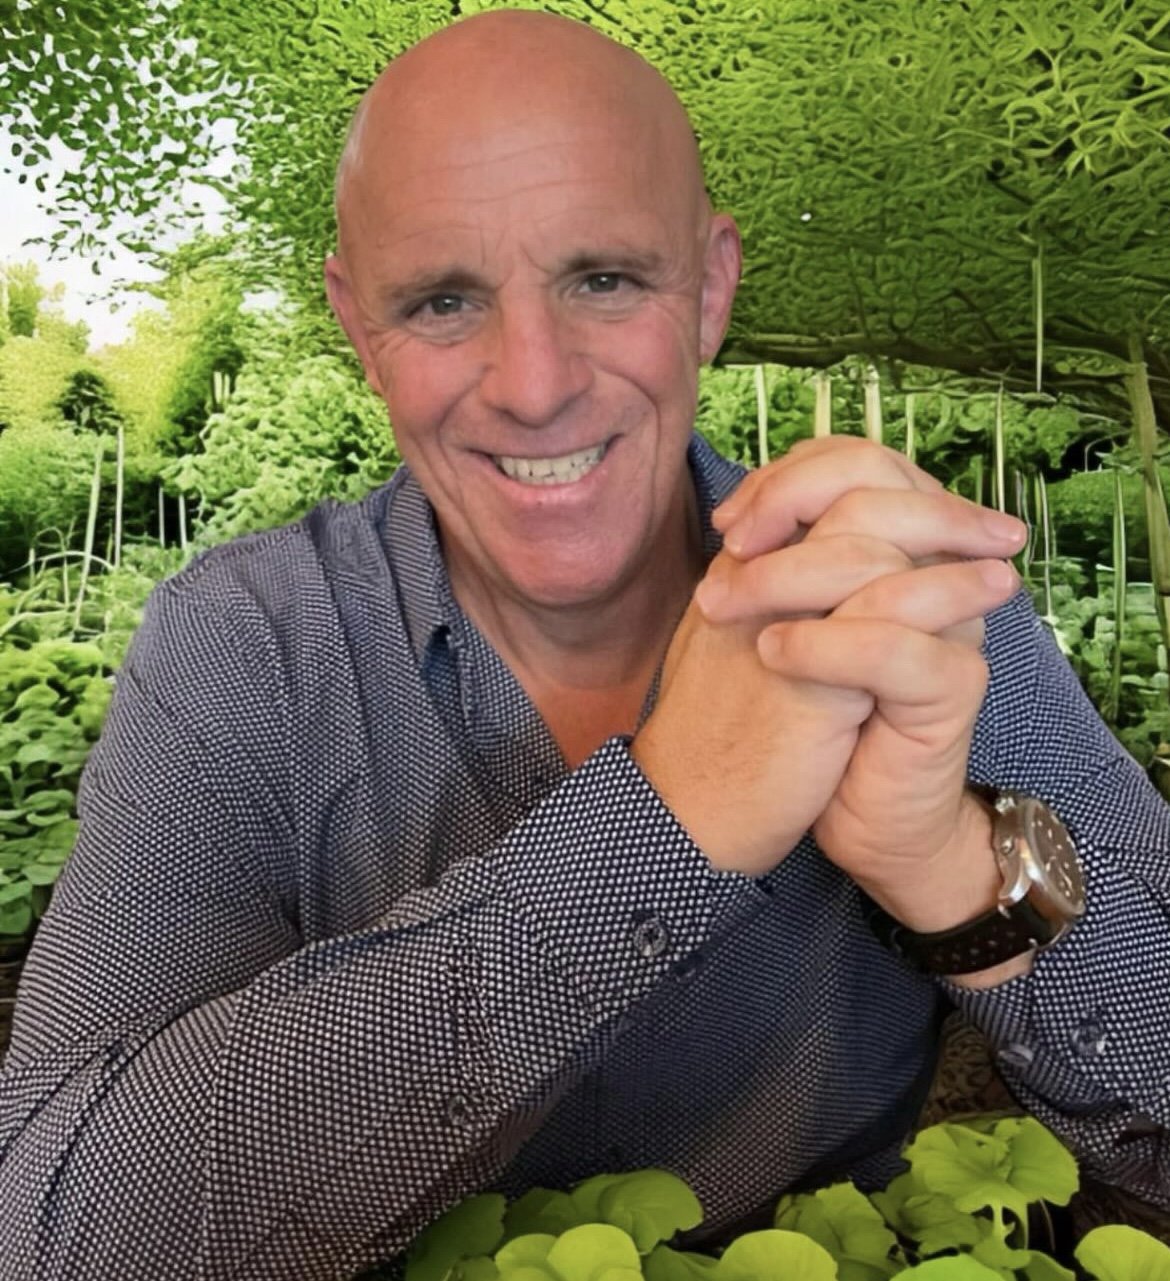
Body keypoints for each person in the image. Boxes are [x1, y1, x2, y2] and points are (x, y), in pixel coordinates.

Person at [1, 9, 1167, 1278]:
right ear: (358, 327)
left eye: (604, 279)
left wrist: (946, 865)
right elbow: (61, 1230)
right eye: (443, 300)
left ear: (711, 287)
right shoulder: (244, 642)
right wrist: (663, 825)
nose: (536, 382)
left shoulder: (891, 600)